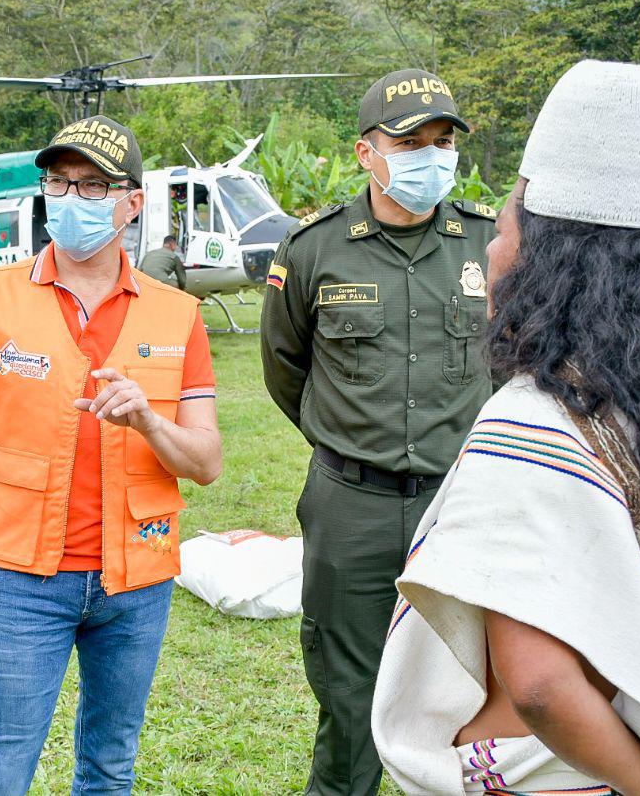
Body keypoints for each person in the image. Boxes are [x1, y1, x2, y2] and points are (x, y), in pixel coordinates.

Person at [373, 60, 640, 796]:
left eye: (507, 224)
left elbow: (541, 683)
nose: (488, 248)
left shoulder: (534, 424)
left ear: (549, 258)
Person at [0, 115, 222, 795]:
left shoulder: (179, 314)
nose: (71, 199)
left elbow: (204, 461)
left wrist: (148, 419)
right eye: (59, 182)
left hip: (136, 581)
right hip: (22, 580)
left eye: (93, 186)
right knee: (2, 767)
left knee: (111, 764)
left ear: (132, 203)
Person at [259, 68, 496, 795]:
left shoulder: (489, 246)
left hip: (464, 506)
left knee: (480, 691)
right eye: (409, 142)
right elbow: (284, 368)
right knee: (349, 694)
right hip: (350, 506)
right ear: (367, 153)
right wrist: (346, 442)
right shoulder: (313, 250)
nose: (431, 155)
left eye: (442, 141)